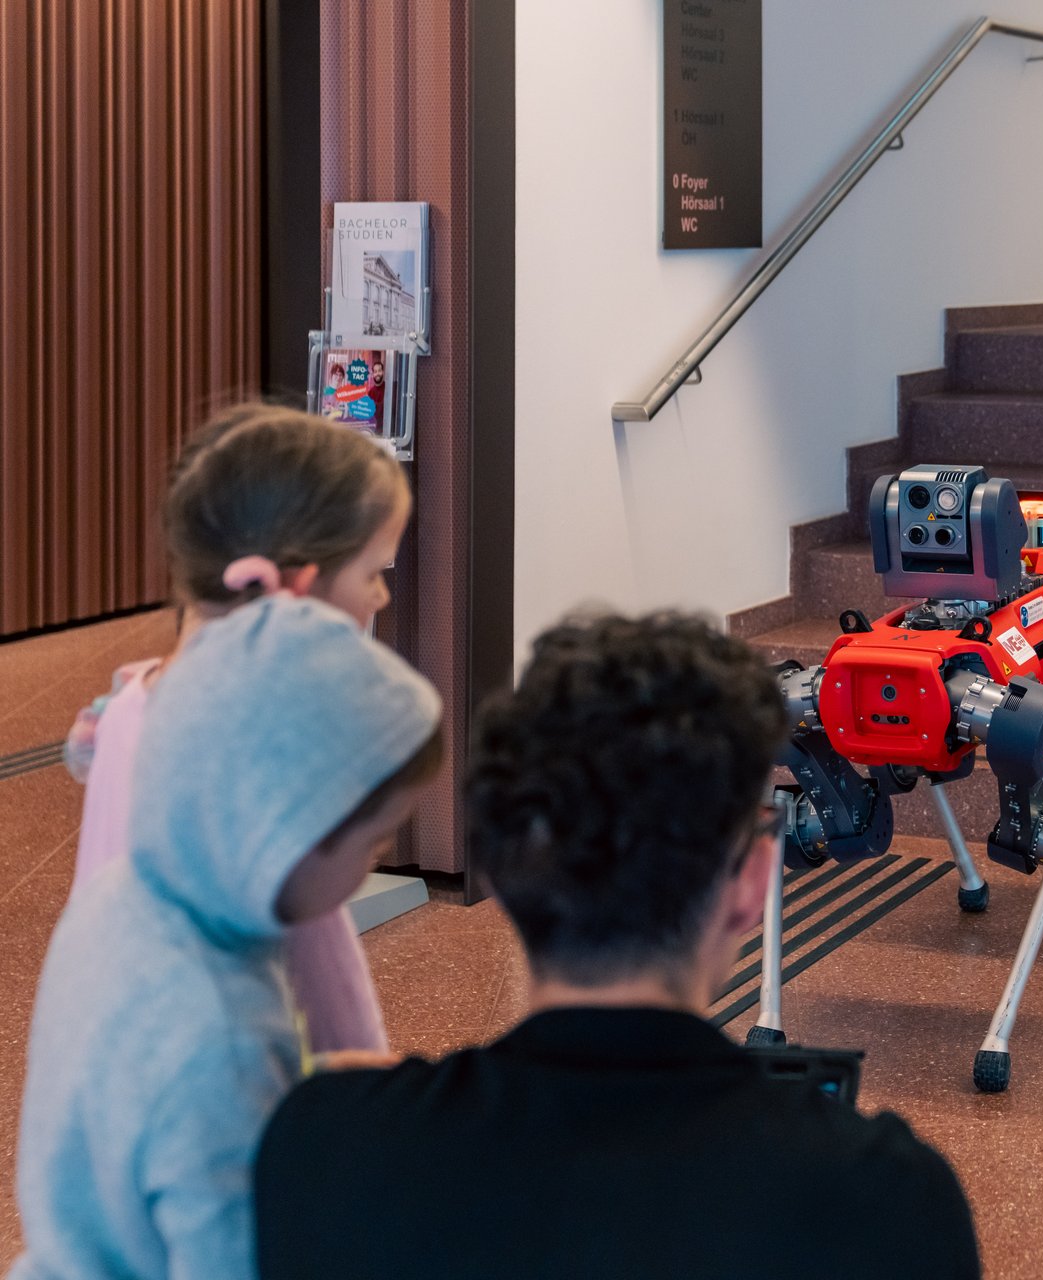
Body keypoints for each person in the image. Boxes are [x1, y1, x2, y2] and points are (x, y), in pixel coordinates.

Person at [253, 612, 981, 1280]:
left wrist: (360, 1103)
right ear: (752, 880)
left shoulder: (325, 1147)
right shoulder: (890, 1200)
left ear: (502, 869)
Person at [12, 596, 444, 1280]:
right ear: (295, 830)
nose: (368, 868)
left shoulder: (118, 896)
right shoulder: (224, 1036)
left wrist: (309, 1083)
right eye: (373, 844)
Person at [62, 402, 410, 1054]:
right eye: (372, 573)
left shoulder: (131, 701)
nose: (380, 596)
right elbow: (324, 965)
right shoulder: (265, 754)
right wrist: (364, 1081)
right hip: (229, 1072)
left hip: (102, 1034)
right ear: (299, 585)